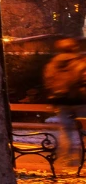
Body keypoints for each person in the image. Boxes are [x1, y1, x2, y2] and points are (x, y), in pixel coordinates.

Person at [44, 38, 86, 169]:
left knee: (65, 130)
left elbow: (48, 81)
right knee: (84, 129)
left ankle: (66, 158)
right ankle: (82, 157)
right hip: (80, 100)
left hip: (61, 100)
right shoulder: (80, 62)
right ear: (74, 48)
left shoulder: (53, 64)